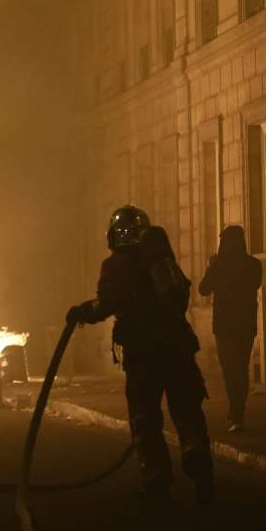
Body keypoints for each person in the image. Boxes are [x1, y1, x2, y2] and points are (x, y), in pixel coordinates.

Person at [67, 206, 213, 504]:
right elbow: (180, 293)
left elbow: (106, 304)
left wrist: (82, 312)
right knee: (187, 412)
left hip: (143, 353)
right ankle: (199, 464)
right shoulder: (163, 261)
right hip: (178, 348)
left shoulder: (116, 265)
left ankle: (155, 479)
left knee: (145, 418)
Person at [198, 225, 262, 432]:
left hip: (224, 325)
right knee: (241, 368)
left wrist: (212, 266)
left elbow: (203, 288)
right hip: (245, 324)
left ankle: (236, 411)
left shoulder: (219, 265)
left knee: (229, 369)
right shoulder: (253, 265)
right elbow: (255, 284)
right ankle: (238, 410)